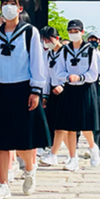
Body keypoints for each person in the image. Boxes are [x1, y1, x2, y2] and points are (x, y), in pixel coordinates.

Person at [0, 0, 50, 199]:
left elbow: (37, 62)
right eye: (4, 4)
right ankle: (3, 183)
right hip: (0, 89)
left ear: (20, 9)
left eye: (13, 4)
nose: (8, 7)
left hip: (23, 89)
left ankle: (30, 168)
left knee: (24, 141)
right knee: (0, 140)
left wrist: (36, 90)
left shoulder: (30, 33)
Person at [54, 20, 100, 171]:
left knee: (85, 124)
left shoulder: (91, 50)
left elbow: (94, 73)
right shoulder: (65, 50)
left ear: (82, 32)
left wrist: (80, 77)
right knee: (70, 126)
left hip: (85, 88)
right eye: (71, 31)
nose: (73, 34)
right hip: (70, 89)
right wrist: (68, 77)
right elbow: (59, 71)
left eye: (76, 31)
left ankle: (93, 148)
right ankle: (73, 158)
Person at [38, 26, 69, 166]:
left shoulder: (67, 52)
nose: (46, 42)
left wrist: (63, 85)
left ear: (57, 38)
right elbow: (45, 75)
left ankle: (53, 154)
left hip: (66, 89)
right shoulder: (47, 55)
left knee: (61, 124)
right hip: (52, 91)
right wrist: (45, 94)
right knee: (56, 124)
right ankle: (71, 153)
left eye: (48, 39)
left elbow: (71, 71)